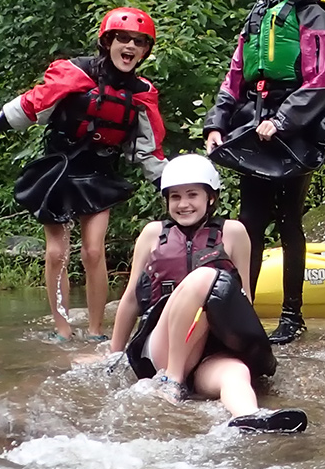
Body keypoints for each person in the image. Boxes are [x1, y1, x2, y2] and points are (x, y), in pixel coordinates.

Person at [0, 7, 166, 341]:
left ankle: (97, 331)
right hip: (60, 168)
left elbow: (149, 150)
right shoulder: (75, 73)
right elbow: (31, 104)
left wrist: (172, 187)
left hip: (99, 173)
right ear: (108, 41)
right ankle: (63, 330)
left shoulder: (142, 93)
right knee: (56, 253)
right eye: (123, 39)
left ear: (145, 51)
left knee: (94, 251)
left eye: (139, 42)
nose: (130, 47)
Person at [204, 0, 325, 345]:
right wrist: (216, 122)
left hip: (295, 127)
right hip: (254, 122)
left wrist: (282, 121)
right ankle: (243, 310)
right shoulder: (258, 14)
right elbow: (234, 76)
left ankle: (291, 315)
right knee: (249, 223)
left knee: (288, 221)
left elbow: (322, 81)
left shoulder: (317, 16)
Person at [109, 154, 307, 432]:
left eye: (192, 195)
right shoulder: (153, 233)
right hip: (164, 351)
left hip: (210, 351)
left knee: (236, 373)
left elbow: (244, 299)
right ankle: (173, 381)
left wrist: (250, 349)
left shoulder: (234, 232)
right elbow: (131, 297)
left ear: (211, 197)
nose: (183, 204)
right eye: (175, 197)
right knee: (205, 277)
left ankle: (251, 417)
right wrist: (113, 354)